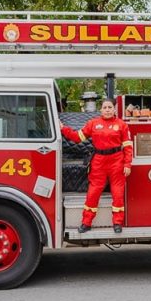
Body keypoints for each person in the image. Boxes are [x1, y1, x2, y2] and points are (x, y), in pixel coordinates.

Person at [61, 98, 132, 234]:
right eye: (105, 107)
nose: (107, 110)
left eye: (109, 107)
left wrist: (127, 164)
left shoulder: (122, 125)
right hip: (98, 162)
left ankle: (117, 223)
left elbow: (128, 146)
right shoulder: (93, 123)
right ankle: (86, 223)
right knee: (93, 194)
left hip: (117, 161)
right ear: (100, 110)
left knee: (117, 194)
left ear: (114, 109)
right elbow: (77, 137)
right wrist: (63, 128)